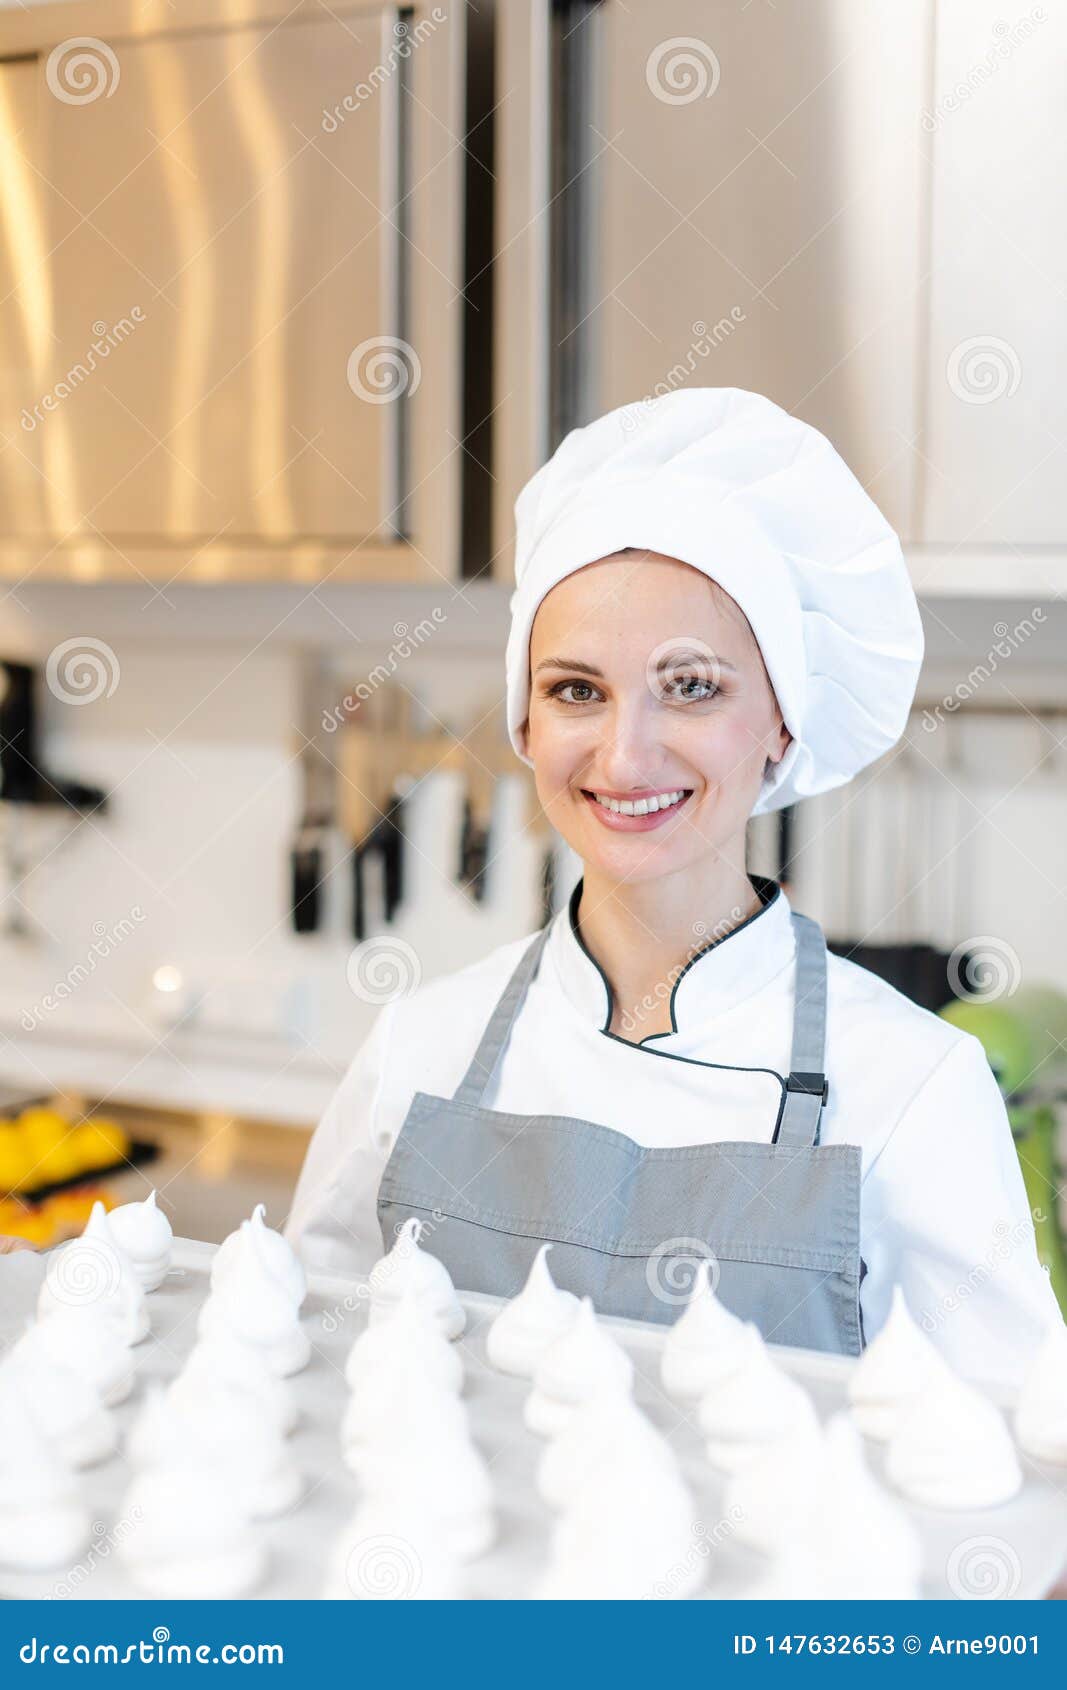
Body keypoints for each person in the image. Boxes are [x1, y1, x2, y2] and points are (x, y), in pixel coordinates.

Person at [286, 387, 1059, 1385]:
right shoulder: (419, 1046)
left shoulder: (909, 1086)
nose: (624, 751)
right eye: (575, 690)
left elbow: (1015, 1463)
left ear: (781, 721)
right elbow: (300, 1356)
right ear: (525, 723)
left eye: (689, 685)